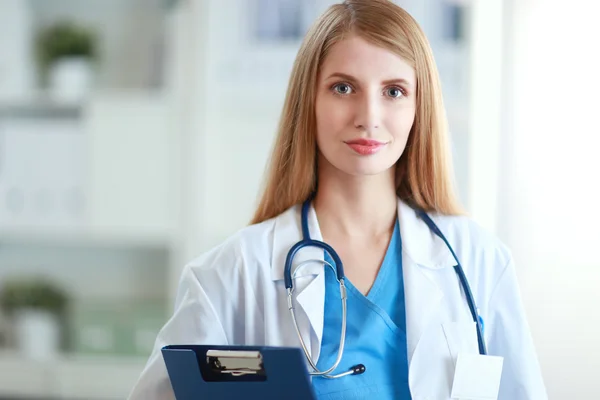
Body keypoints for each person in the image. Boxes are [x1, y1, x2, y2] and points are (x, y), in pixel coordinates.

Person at [128, 0, 547, 399]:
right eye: (343, 87)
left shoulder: (480, 262)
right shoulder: (232, 274)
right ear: (308, 101)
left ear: (421, 108)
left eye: (394, 91)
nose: (368, 116)